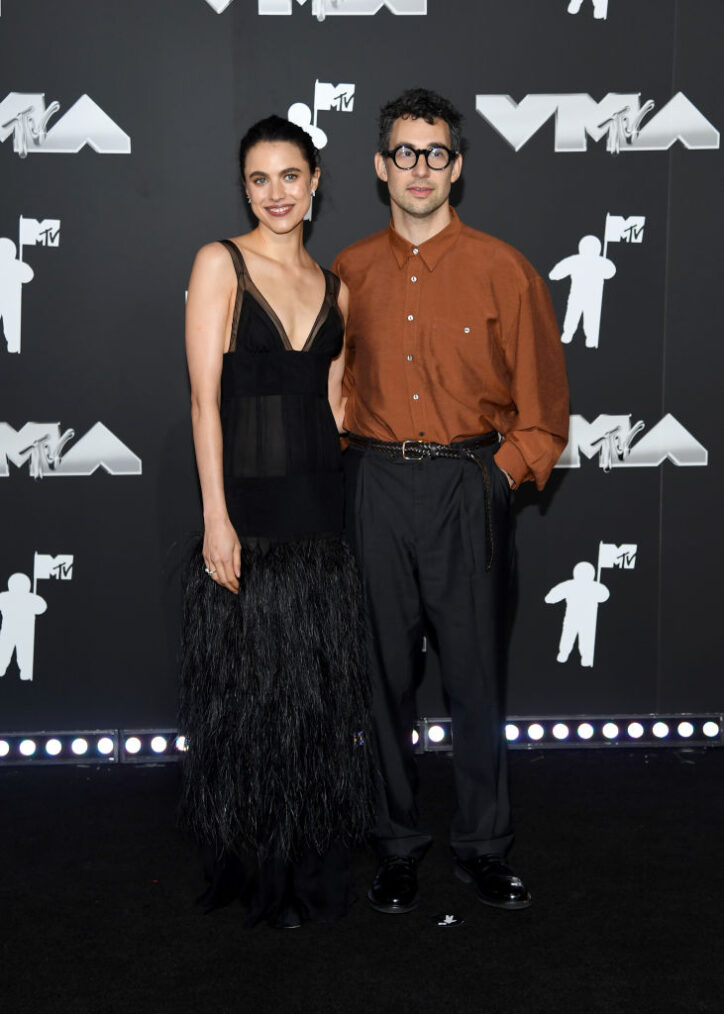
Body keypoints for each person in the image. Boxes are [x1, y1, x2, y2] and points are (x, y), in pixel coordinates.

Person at [332, 88, 569, 914]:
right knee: (383, 683)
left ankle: (482, 847)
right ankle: (395, 847)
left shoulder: (506, 270)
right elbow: (326, 394)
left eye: (435, 153)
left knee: (476, 682)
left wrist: (495, 480)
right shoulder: (348, 273)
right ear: (379, 166)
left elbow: (544, 417)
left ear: (458, 166)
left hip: (470, 486)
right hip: (376, 486)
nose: (420, 168)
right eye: (404, 152)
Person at [178, 115, 373, 930]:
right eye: (259, 179)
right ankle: (259, 869)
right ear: (245, 187)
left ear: (317, 179)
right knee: (252, 705)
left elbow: (332, 404)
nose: (275, 194)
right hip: (249, 520)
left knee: (313, 709)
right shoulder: (219, 264)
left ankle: (306, 866)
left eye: (289, 176)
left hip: (319, 517)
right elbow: (203, 402)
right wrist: (216, 519)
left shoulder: (339, 288)